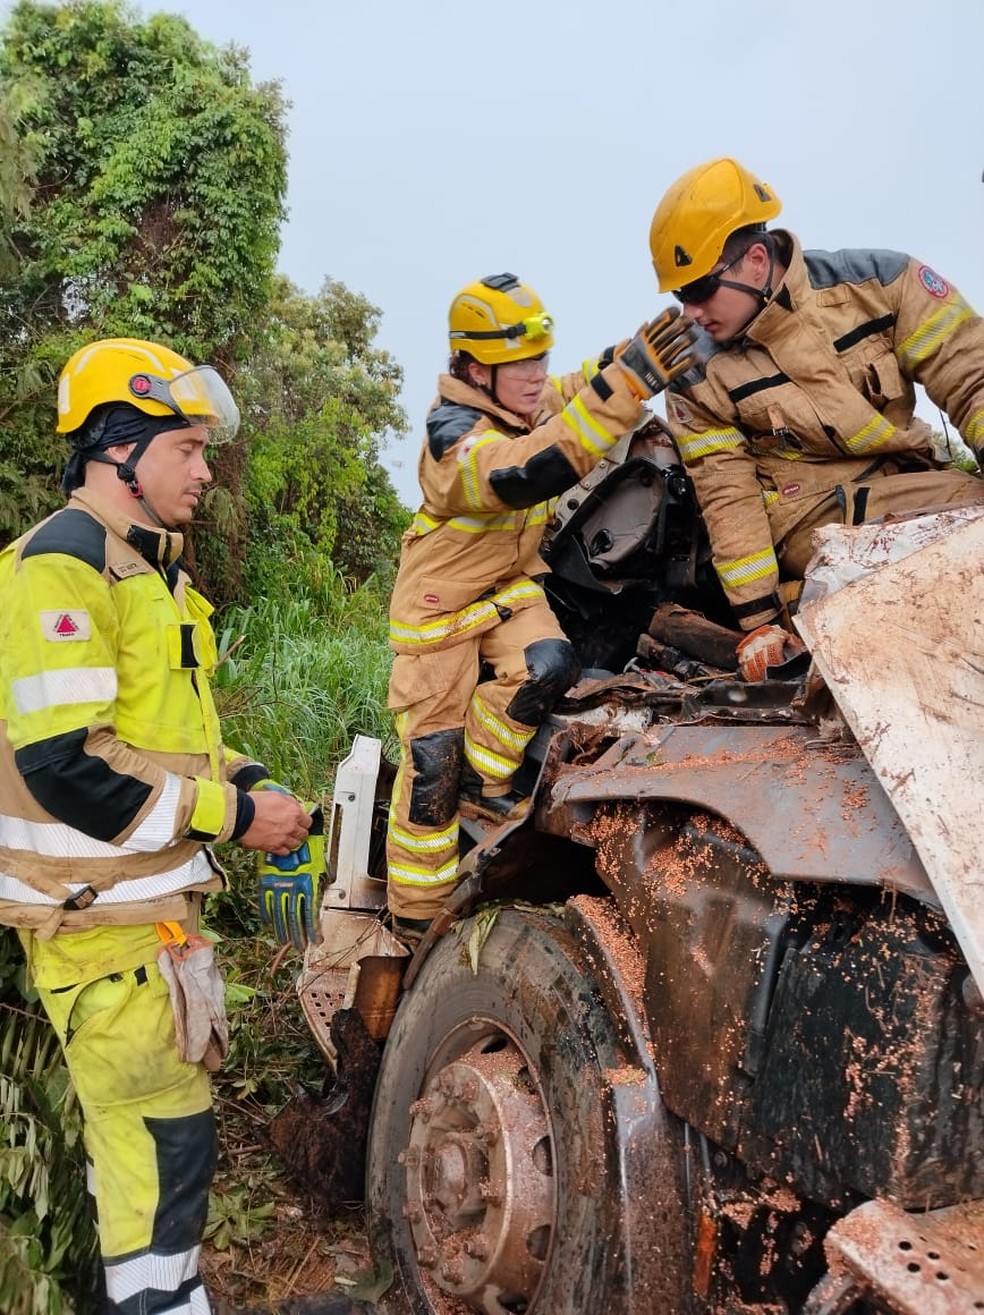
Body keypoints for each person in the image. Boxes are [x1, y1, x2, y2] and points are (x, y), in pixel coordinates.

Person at [0, 338, 313, 1315]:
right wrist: (233, 814)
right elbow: (68, 766)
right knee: (156, 1156)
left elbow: (171, 742)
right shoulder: (62, 566)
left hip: (148, 924)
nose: (207, 468)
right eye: (188, 447)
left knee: (155, 1153)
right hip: (97, 927)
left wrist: (258, 787)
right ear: (119, 449)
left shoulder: (150, 574)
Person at [385, 272, 697, 937]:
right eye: (515, 363)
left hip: (503, 591)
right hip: (440, 614)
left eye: (539, 359)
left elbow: (577, 388)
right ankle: (414, 918)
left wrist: (631, 353)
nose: (534, 375)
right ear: (473, 366)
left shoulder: (523, 402)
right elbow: (529, 469)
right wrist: (630, 384)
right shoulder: (455, 439)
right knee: (430, 772)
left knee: (550, 664)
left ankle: (487, 781)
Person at [648, 157, 984, 675]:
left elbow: (971, 378)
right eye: (679, 294)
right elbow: (727, 496)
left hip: (912, 484)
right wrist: (759, 621)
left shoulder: (885, 284)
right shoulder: (694, 375)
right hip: (808, 522)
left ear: (756, 260)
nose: (689, 312)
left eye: (697, 290)